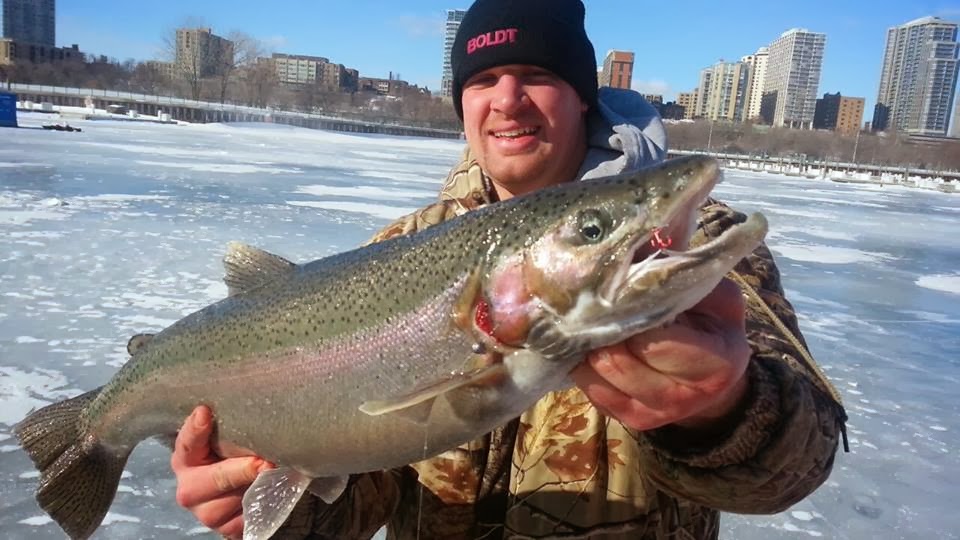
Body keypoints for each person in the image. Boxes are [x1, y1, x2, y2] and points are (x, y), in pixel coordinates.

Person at [170, 1, 848, 538]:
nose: (508, 98)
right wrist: (262, 503)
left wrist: (721, 411)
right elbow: (365, 487)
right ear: (463, 103)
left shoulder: (695, 244)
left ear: (584, 96)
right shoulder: (404, 244)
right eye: (484, 80)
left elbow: (797, 464)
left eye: (539, 76)